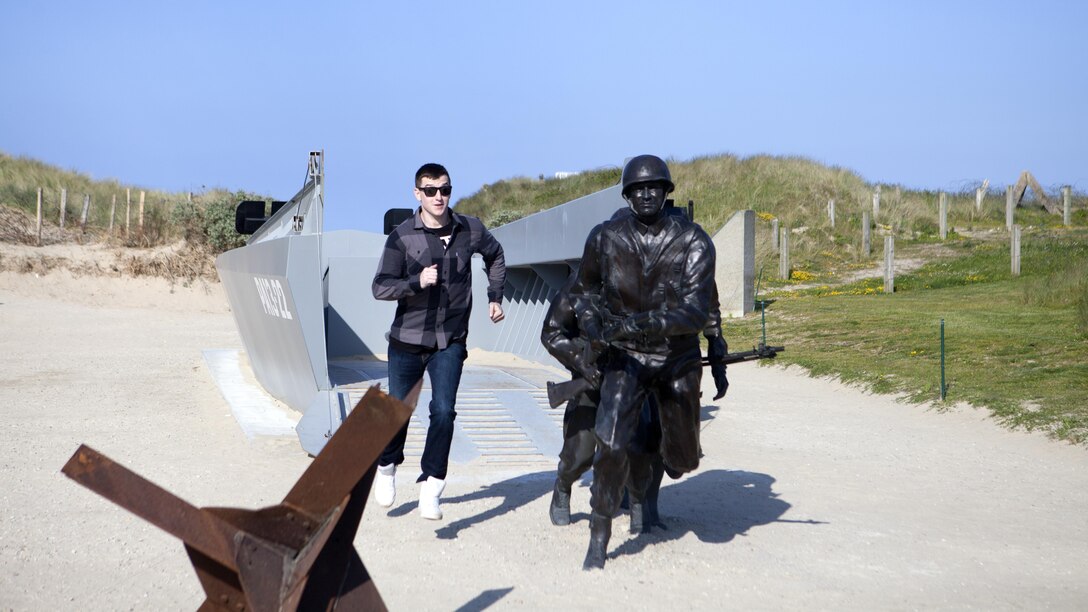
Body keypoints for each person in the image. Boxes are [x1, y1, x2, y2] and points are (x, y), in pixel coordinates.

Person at [571, 154, 717, 569]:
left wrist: (635, 324)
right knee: (611, 442)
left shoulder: (694, 241)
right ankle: (599, 534)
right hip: (627, 359)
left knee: (684, 457)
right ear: (628, 195)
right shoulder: (605, 237)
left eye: (655, 186)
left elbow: (693, 310)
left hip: (676, 357)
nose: (646, 193)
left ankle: (669, 462)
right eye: (637, 188)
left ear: (668, 192)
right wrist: (592, 321)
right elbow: (583, 292)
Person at [371, 162, 506, 520]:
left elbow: (496, 255)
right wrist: (416, 282)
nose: (439, 197)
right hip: (407, 341)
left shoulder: (470, 230)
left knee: (443, 411)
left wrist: (495, 296)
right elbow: (380, 287)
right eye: (430, 191)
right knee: (397, 412)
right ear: (417, 194)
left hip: (450, 341)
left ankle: (432, 484)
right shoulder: (402, 236)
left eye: (444, 189)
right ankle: (387, 467)